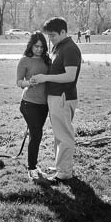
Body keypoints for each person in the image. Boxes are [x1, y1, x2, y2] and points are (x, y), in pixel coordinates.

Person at [31, 17, 81, 182]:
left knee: (64, 135)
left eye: (52, 35)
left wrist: (45, 78)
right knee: (58, 134)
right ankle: (61, 166)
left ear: (63, 32)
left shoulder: (70, 49)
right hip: (55, 97)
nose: (50, 39)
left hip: (63, 98)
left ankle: (64, 173)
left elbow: (70, 76)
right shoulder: (60, 47)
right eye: (49, 36)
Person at [16, 32, 51, 182]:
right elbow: (18, 82)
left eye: (42, 47)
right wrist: (29, 82)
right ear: (31, 45)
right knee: (36, 135)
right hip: (28, 103)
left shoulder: (46, 60)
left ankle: (33, 166)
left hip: (44, 105)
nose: (39, 49)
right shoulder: (25, 60)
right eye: (36, 46)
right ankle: (32, 169)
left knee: (35, 134)